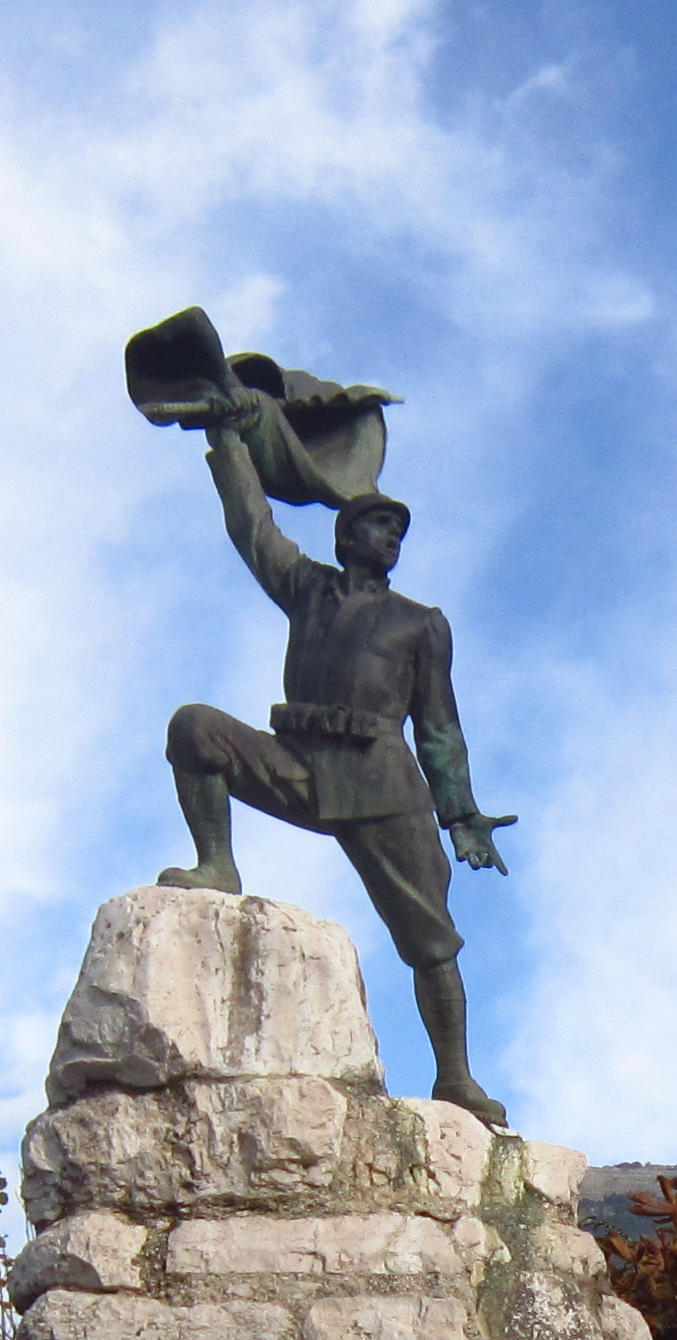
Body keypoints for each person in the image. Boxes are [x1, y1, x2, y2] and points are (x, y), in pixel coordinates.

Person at [158, 387, 516, 1129]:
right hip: (302, 762)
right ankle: (219, 863)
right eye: (380, 527)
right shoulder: (308, 590)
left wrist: (462, 816)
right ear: (347, 536)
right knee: (195, 728)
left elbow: (440, 728)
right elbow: (251, 526)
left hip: (385, 786)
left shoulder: (421, 623)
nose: (392, 539)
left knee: (430, 940)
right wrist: (229, 442)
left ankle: (456, 1077)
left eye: (398, 532)